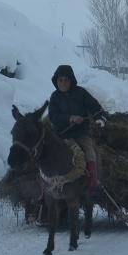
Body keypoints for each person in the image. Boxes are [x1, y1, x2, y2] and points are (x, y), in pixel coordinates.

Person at [48, 65, 107, 193]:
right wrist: (70, 118)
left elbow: (96, 108)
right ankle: (43, 189)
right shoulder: (54, 97)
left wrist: (100, 118)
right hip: (60, 135)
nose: (63, 83)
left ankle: (93, 184)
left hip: (80, 134)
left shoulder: (81, 93)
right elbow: (52, 116)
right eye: (60, 80)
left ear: (72, 81)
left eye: (66, 80)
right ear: (56, 81)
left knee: (90, 152)